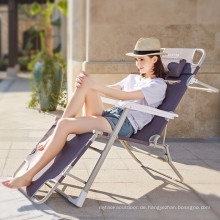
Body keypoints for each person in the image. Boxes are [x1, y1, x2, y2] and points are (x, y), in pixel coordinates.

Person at [2, 37, 167, 189]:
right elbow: (109, 90)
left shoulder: (158, 85)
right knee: (84, 87)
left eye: (142, 60)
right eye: (137, 60)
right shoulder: (133, 78)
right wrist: (87, 83)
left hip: (124, 123)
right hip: (112, 114)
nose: (138, 64)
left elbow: (124, 96)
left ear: (155, 59)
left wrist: (93, 84)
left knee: (64, 124)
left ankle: (28, 175)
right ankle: (55, 136)